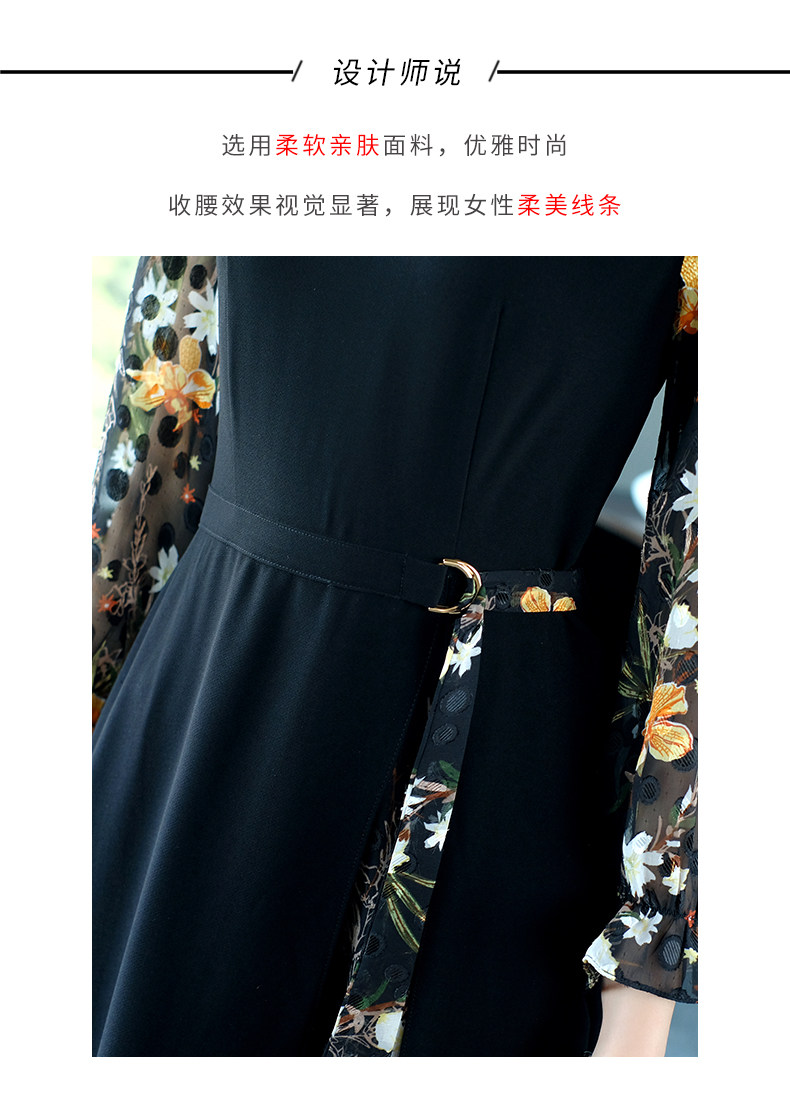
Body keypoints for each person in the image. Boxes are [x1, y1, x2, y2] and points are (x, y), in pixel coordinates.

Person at [92, 256, 698, 1056]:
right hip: (190, 723)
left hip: (476, 769)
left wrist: (643, 982)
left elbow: (696, 589)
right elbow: (152, 438)